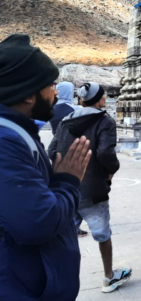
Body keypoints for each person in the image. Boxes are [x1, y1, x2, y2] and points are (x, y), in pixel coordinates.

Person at [0, 34, 91, 301]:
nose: (54, 94)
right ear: (28, 94)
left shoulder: (17, 132)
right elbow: (36, 222)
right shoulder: (5, 142)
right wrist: (68, 181)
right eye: (50, 85)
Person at [48, 81, 132, 293]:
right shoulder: (104, 121)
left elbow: (52, 150)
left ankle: (60, 281)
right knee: (103, 235)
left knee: (66, 235)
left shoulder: (66, 120)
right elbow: (105, 153)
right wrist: (111, 170)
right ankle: (108, 277)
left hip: (67, 189)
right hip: (94, 190)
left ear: (81, 99)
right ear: (101, 99)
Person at [49, 81, 89, 238]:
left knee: (61, 187)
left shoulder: (52, 110)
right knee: (78, 190)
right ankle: (72, 226)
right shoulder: (76, 109)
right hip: (74, 152)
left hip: (57, 150)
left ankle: (63, 221)